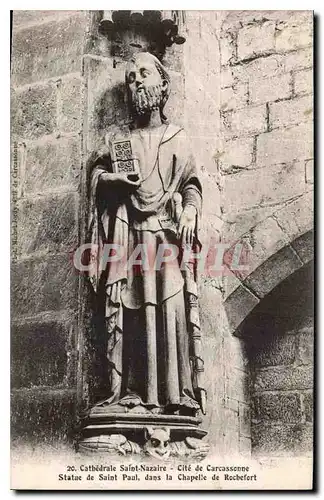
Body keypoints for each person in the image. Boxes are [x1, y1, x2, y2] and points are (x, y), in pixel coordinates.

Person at [87, 52, 205, 416]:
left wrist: (190, 209)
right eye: (129, 78)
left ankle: (174, 394)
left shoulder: (177, 138)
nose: (135, 81)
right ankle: (131, 393)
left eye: (143, 73)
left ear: (162, 83)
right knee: (133, 310)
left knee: (169, 310)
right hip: (129, 236)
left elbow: (192, 185)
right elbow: (97, 176)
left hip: (165, 238)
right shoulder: (120, 140)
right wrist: (112, 180)